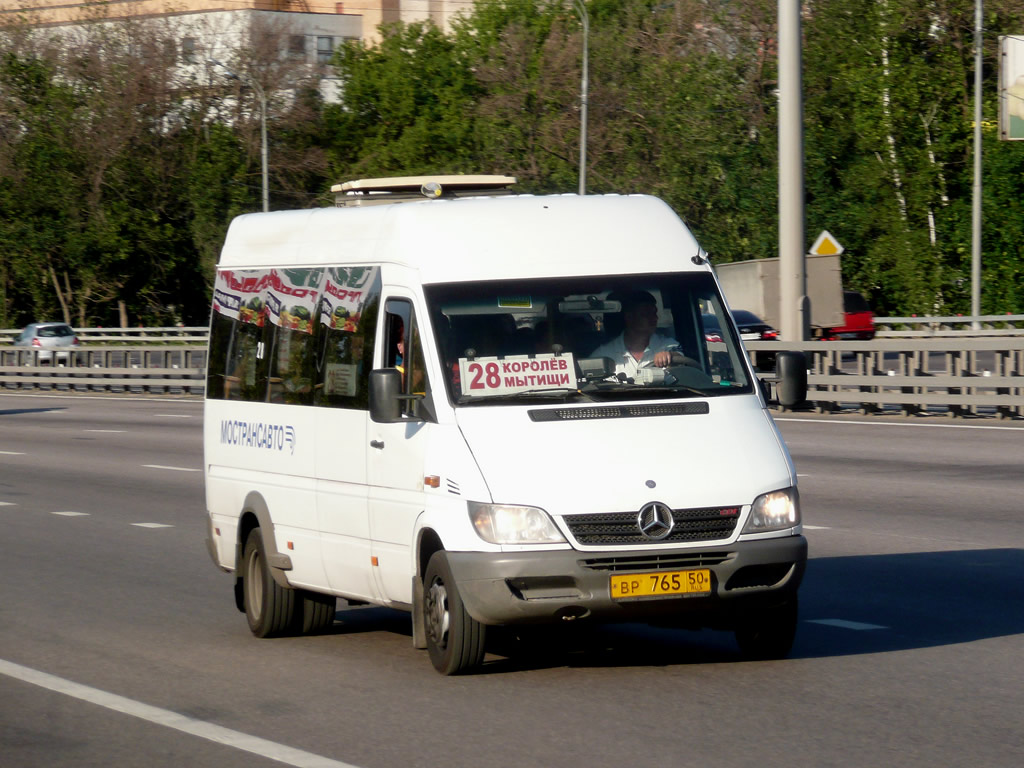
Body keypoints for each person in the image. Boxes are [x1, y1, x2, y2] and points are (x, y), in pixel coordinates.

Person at [589, 290, 684, 381]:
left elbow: (680, 357)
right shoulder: (604, 354)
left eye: (654, 313)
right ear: (629, 317)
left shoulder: (667, 345)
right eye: (646, 314)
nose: (654, 318)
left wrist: (670, 356)